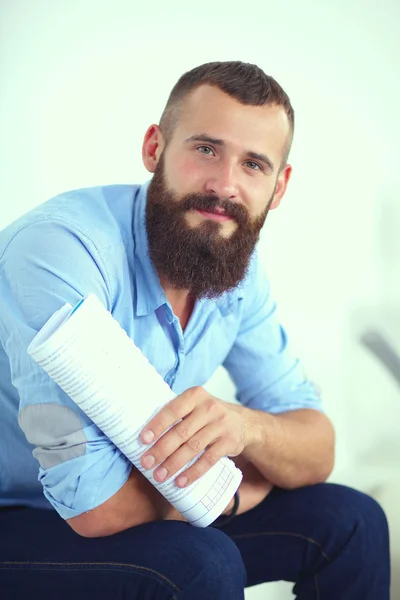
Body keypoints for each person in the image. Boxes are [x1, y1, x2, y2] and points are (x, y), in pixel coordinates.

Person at [0, 61, 390, 599]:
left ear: (279, 187)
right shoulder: (62, 252)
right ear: (154, 148)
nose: (224, 186)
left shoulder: (236, 268)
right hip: (20, 511)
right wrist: (229, 492)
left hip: (140, 499)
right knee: (198, 561)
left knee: (354, 520)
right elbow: (94, 507)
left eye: (253, 164)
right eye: (206, 149)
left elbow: (315, 445)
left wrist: (247, 429)